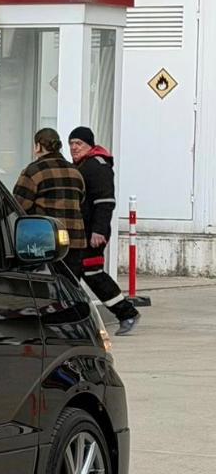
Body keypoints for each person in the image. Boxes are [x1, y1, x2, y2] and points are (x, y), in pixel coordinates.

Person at [68, 126, 140, 335]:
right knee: (74, 273)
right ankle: (76, 320)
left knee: (91, 273)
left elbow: (105, 202)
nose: (74, 147)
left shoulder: (97, 166)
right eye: (71, 143)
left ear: (89, 145)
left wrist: (98, 231)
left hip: (93, 233)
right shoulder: (84, 165)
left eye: (79, 143)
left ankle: (126, 313)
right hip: (83, 232)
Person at [13, 127, 86, 258]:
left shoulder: (33, 171)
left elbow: (18, 204)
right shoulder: (76, 172)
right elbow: (82, 201)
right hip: (75, 241)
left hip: (47, 241)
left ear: (38, 146)